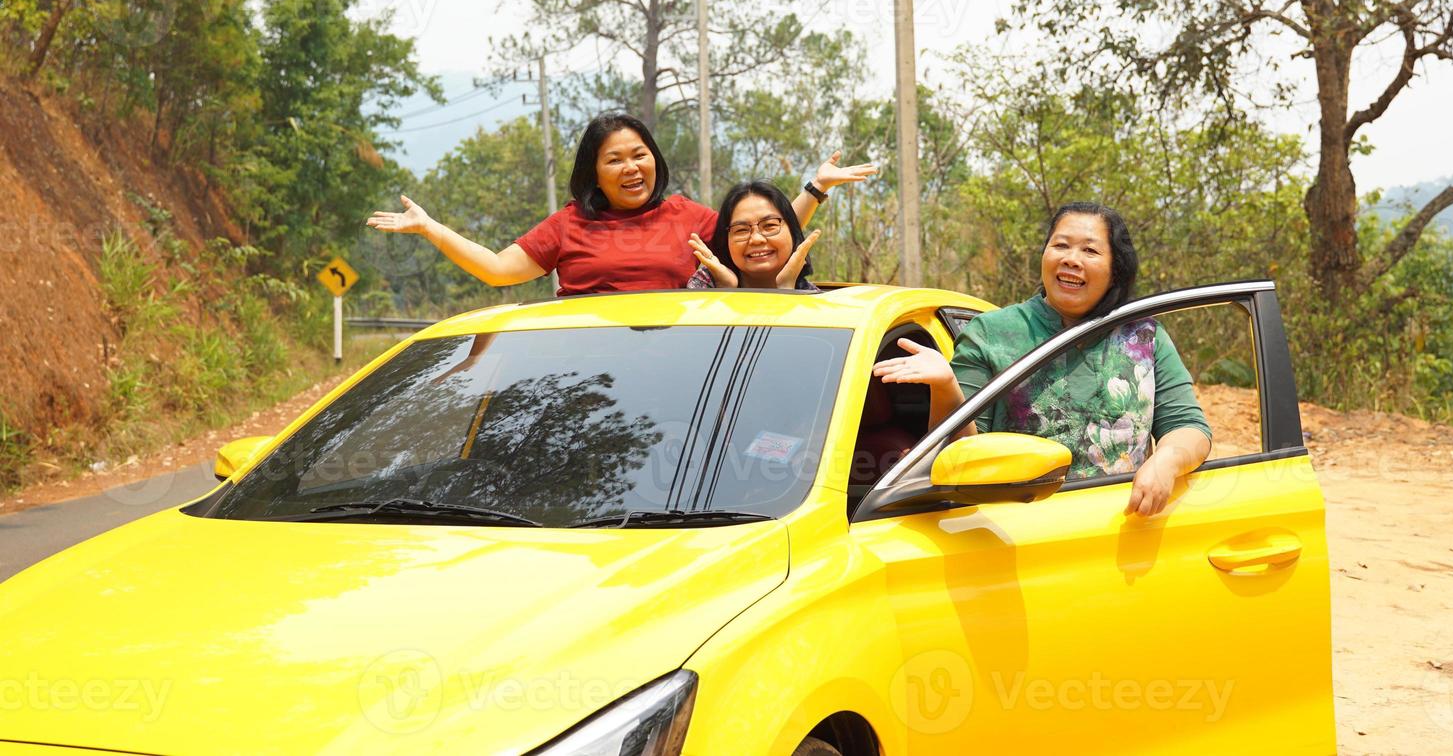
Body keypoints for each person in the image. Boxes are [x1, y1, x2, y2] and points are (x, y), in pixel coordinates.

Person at [871, 201, 1212, 517]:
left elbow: (1190, 429)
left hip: (1123, 528)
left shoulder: (1145, 336)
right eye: (1061, 245)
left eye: (1089, 250)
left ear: (1116, 269)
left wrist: (1166, 461)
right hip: (1019, 533)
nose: (1071, 259)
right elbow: (959, 458)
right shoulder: (991, 333)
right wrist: (946, 386)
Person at [367, 112, 875, 296]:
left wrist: (815, 188)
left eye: (641, 155)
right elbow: (500, 270)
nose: (632, 168)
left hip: (680, 364)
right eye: (616, 160)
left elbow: (760, 235)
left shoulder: (687, 216)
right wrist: (432, 229)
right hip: (587, 365)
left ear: (655, 161)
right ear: (594, 172)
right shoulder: (568, 225)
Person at [685, 181, 821, 291]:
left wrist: (786, 289)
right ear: (726, 240)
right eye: (741, 230)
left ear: (792, 231)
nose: (756, 239)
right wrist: (725, 289)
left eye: (769, 226)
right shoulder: (704, 284)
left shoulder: (813, 297)